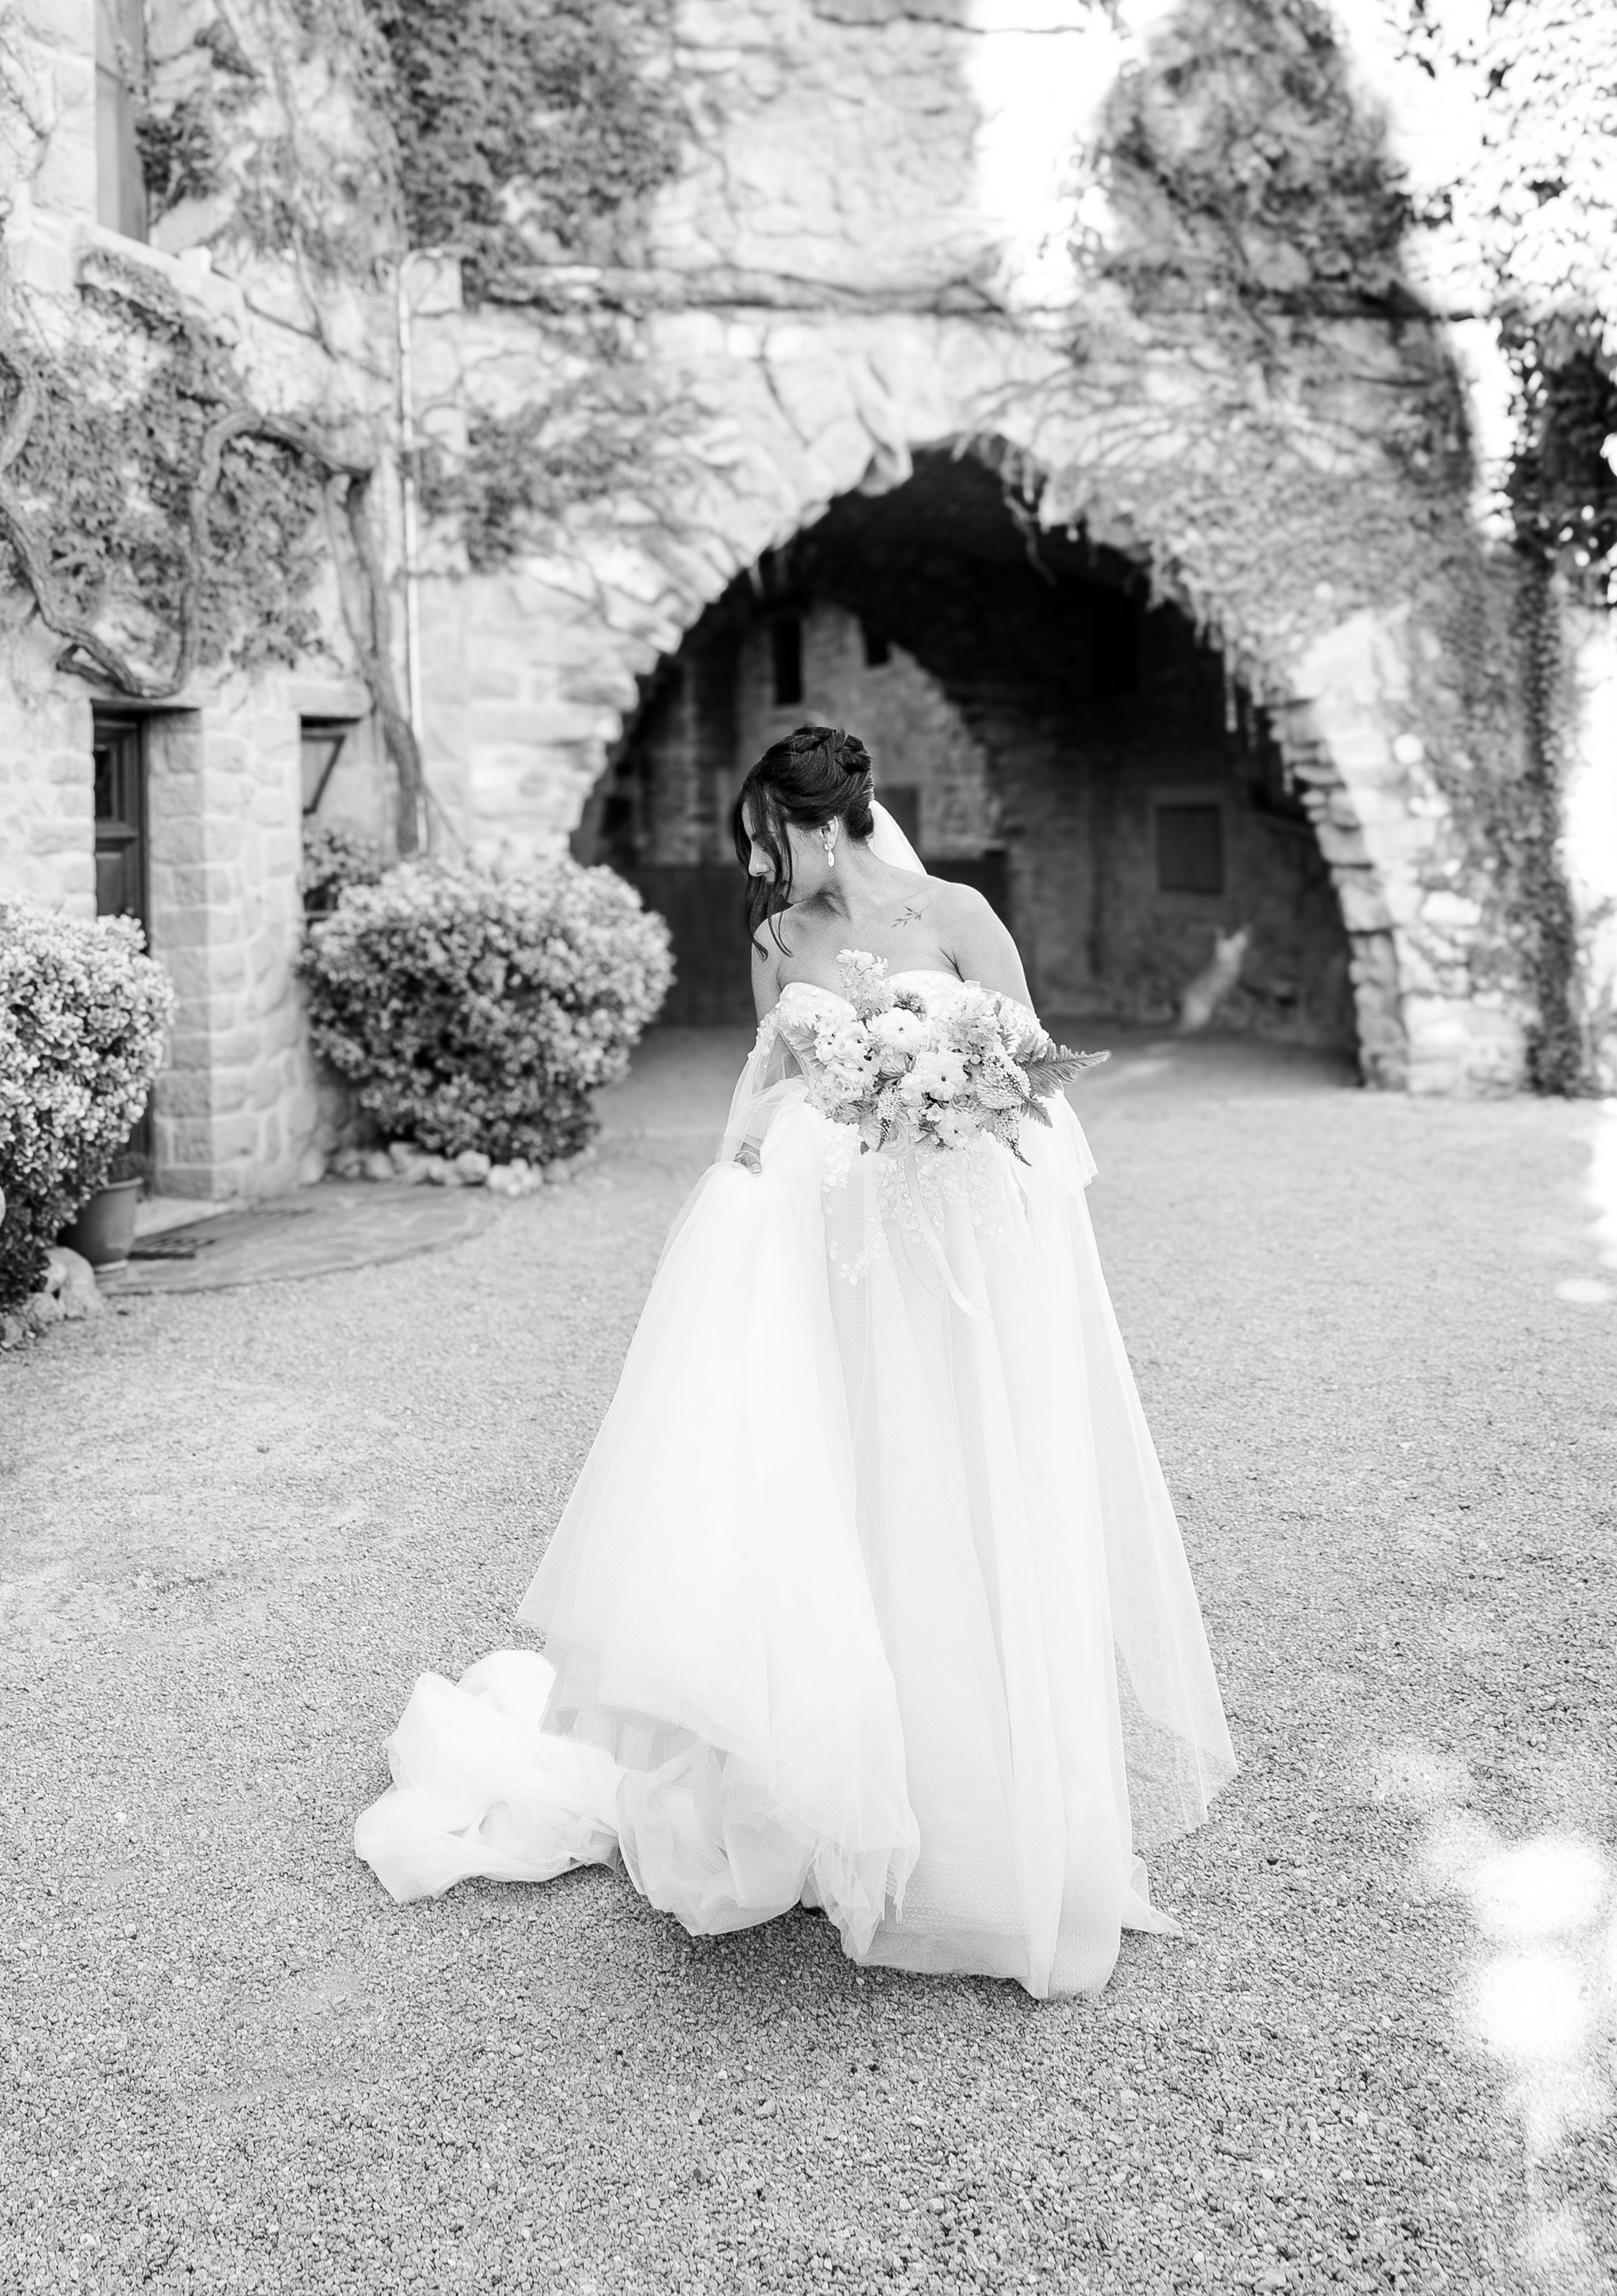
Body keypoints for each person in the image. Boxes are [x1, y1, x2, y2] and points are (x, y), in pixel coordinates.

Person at [354, 723, 1237, 1998]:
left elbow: (1035, 1073)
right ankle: (842, 1793)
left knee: (965, 1498)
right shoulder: (780, 943)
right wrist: (757, 1173)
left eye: (770, 834)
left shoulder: (957, 913)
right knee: (850, 1491)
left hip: (956, 1259)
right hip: (837, 1255)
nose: (762, 862)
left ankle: (985, 1798)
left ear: (820, 822)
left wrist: (948, 1103)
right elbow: (773, 1088)